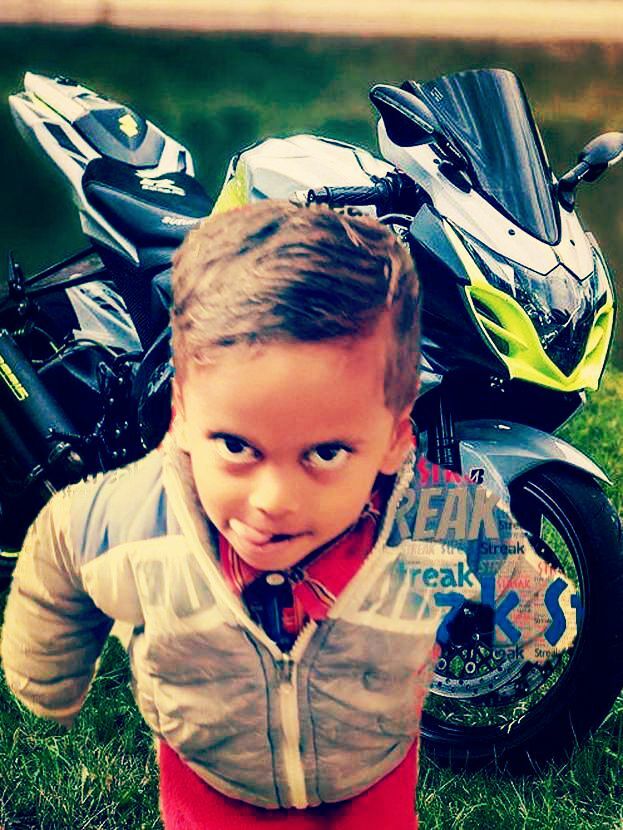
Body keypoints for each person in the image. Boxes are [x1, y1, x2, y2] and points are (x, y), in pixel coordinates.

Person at [1, 201, 573, 829]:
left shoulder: (418, 508)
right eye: (239, 448)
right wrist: (45, 661)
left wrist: (538, 611)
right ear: (185, 421)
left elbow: (494, 551)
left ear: (391, 441)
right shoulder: (158, 510)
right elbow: (63, 543)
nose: (273, 498)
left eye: (323, 454)